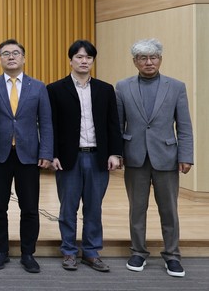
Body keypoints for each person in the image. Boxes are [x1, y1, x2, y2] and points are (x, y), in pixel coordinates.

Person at [116, 38, 193, 277]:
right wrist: (117, 154)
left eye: (153, 57)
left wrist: (186, 155)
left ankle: (172, 255)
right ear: (135, 61)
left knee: (169, 210)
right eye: (143, 58)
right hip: (135, 157)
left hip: (167, 157)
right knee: (137, 209)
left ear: (160, 59)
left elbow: (184, 125)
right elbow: (118, 125)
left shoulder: (176, 87)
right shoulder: (122, 87)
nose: (149, 62)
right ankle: (138, 252)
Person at [46, 40, 123, 273]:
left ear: (92, 61)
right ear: (70, 60)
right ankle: (69, 251)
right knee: (68, 208)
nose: (84, 61)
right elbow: (51, 125)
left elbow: (113, 124)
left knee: (93, 209)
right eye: (79, 57)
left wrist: (115, 153)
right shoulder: (55, 89)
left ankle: (91, 252)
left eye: (88, 57)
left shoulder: (105, 89)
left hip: (98, 157)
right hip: (68, 158)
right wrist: (53, 154)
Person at [0, 39, 53, 273]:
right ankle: (0, 251)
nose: (10, 57)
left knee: (30, 207)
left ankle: (28, 253)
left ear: (23, 58)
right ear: (0, 59)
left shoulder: (38, 87)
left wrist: (46, 152)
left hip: (29, 156)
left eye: (15, 53)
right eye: (5, 53)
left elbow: (46, 122)